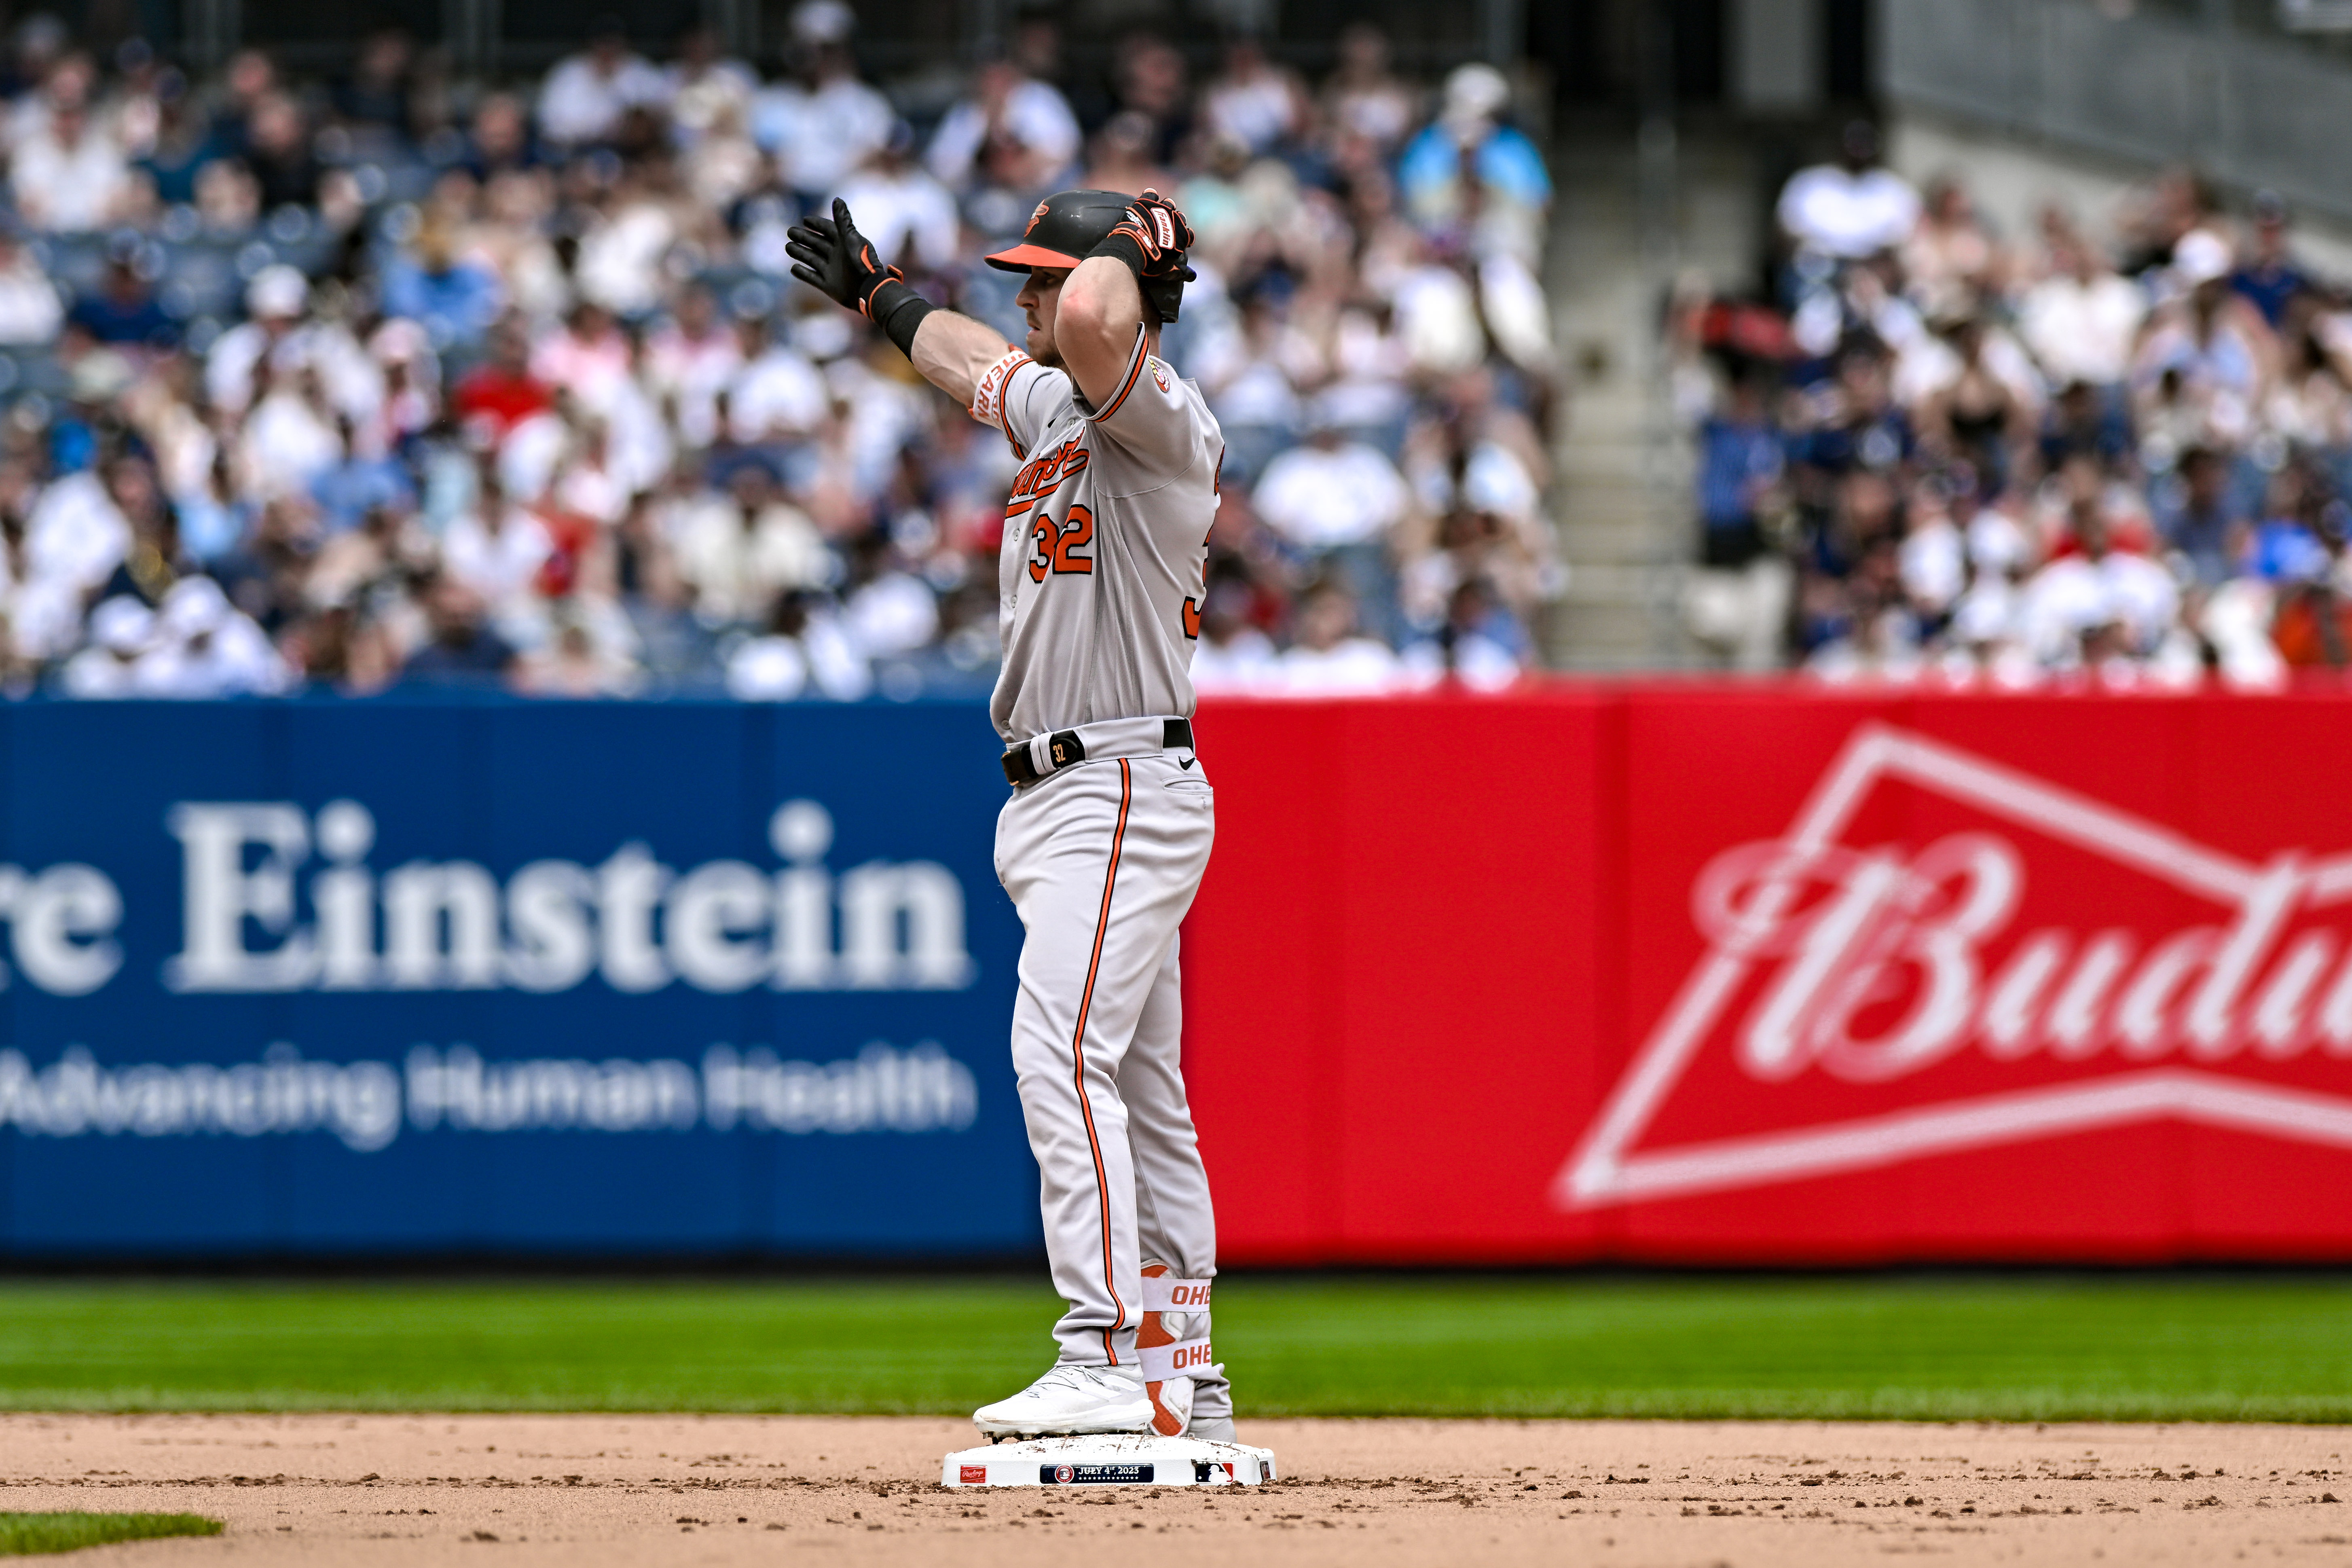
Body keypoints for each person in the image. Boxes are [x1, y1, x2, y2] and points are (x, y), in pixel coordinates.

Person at [787, 187, 1232, 1443]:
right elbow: (974, 358)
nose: (1026, 299)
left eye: (1044, 275)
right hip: (1067, 788)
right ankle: (1181, 1368)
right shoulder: (1059, 405)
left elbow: (1092, 309)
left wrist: (1126, 251)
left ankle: (1100, 1352)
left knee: (1063, 1053)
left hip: (1120, 779)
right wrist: (884, 298)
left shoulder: (1159, 417)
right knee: (1140, 1079)